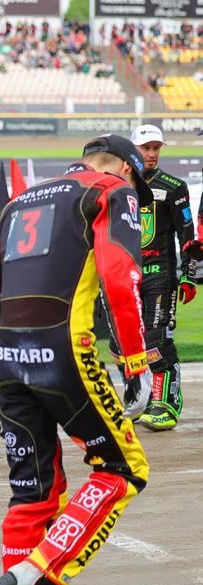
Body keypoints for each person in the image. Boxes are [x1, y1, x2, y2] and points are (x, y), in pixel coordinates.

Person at [0, 134, 154, 585]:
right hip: (64, 352)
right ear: (126, 169)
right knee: (123, 468)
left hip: (9, 360)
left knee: (31, 491)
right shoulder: (111, 189)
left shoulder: (17, 203)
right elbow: (120, 275)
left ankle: (22, 581)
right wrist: (136, 363)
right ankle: (36, 572)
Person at [110, 124, 196, 431]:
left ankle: (166, 403)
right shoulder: (115, 186)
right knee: (120, 343)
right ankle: (138, 398)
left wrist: (189, 276)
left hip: (160, 273)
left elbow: (188, 235)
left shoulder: (174, 187)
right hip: (124, 276)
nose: (152, 154)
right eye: (146, 148)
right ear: (132, 151)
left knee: (157, 340)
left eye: (156, 148)